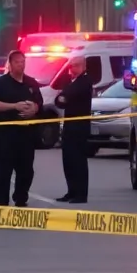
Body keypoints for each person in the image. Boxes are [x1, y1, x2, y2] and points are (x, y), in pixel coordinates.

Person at [0, 50, 44, 207]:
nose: (21, 65)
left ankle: (20, 198)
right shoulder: (0, 83)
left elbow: (39, 103)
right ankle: (1, 203)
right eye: (18, 62)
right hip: (5, 135)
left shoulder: (31, 83)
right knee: (3, 171)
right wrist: (14, 106)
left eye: (23, 61)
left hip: (26, 135)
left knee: (26, 171)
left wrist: (34, 109)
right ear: (10, 64)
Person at [55, 55, 94, 204]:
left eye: (76, 66)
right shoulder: (71, 81)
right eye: (71, 66)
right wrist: (63, 97)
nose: (72, 69)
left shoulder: (85, 81)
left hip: (79, 127)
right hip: (69, 126)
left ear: (83, 66)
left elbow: (69, 95)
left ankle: (81, 194)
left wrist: (65, 97)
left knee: (78, 161)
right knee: (68, 161)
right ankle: (71, 191)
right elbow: (59, 100)